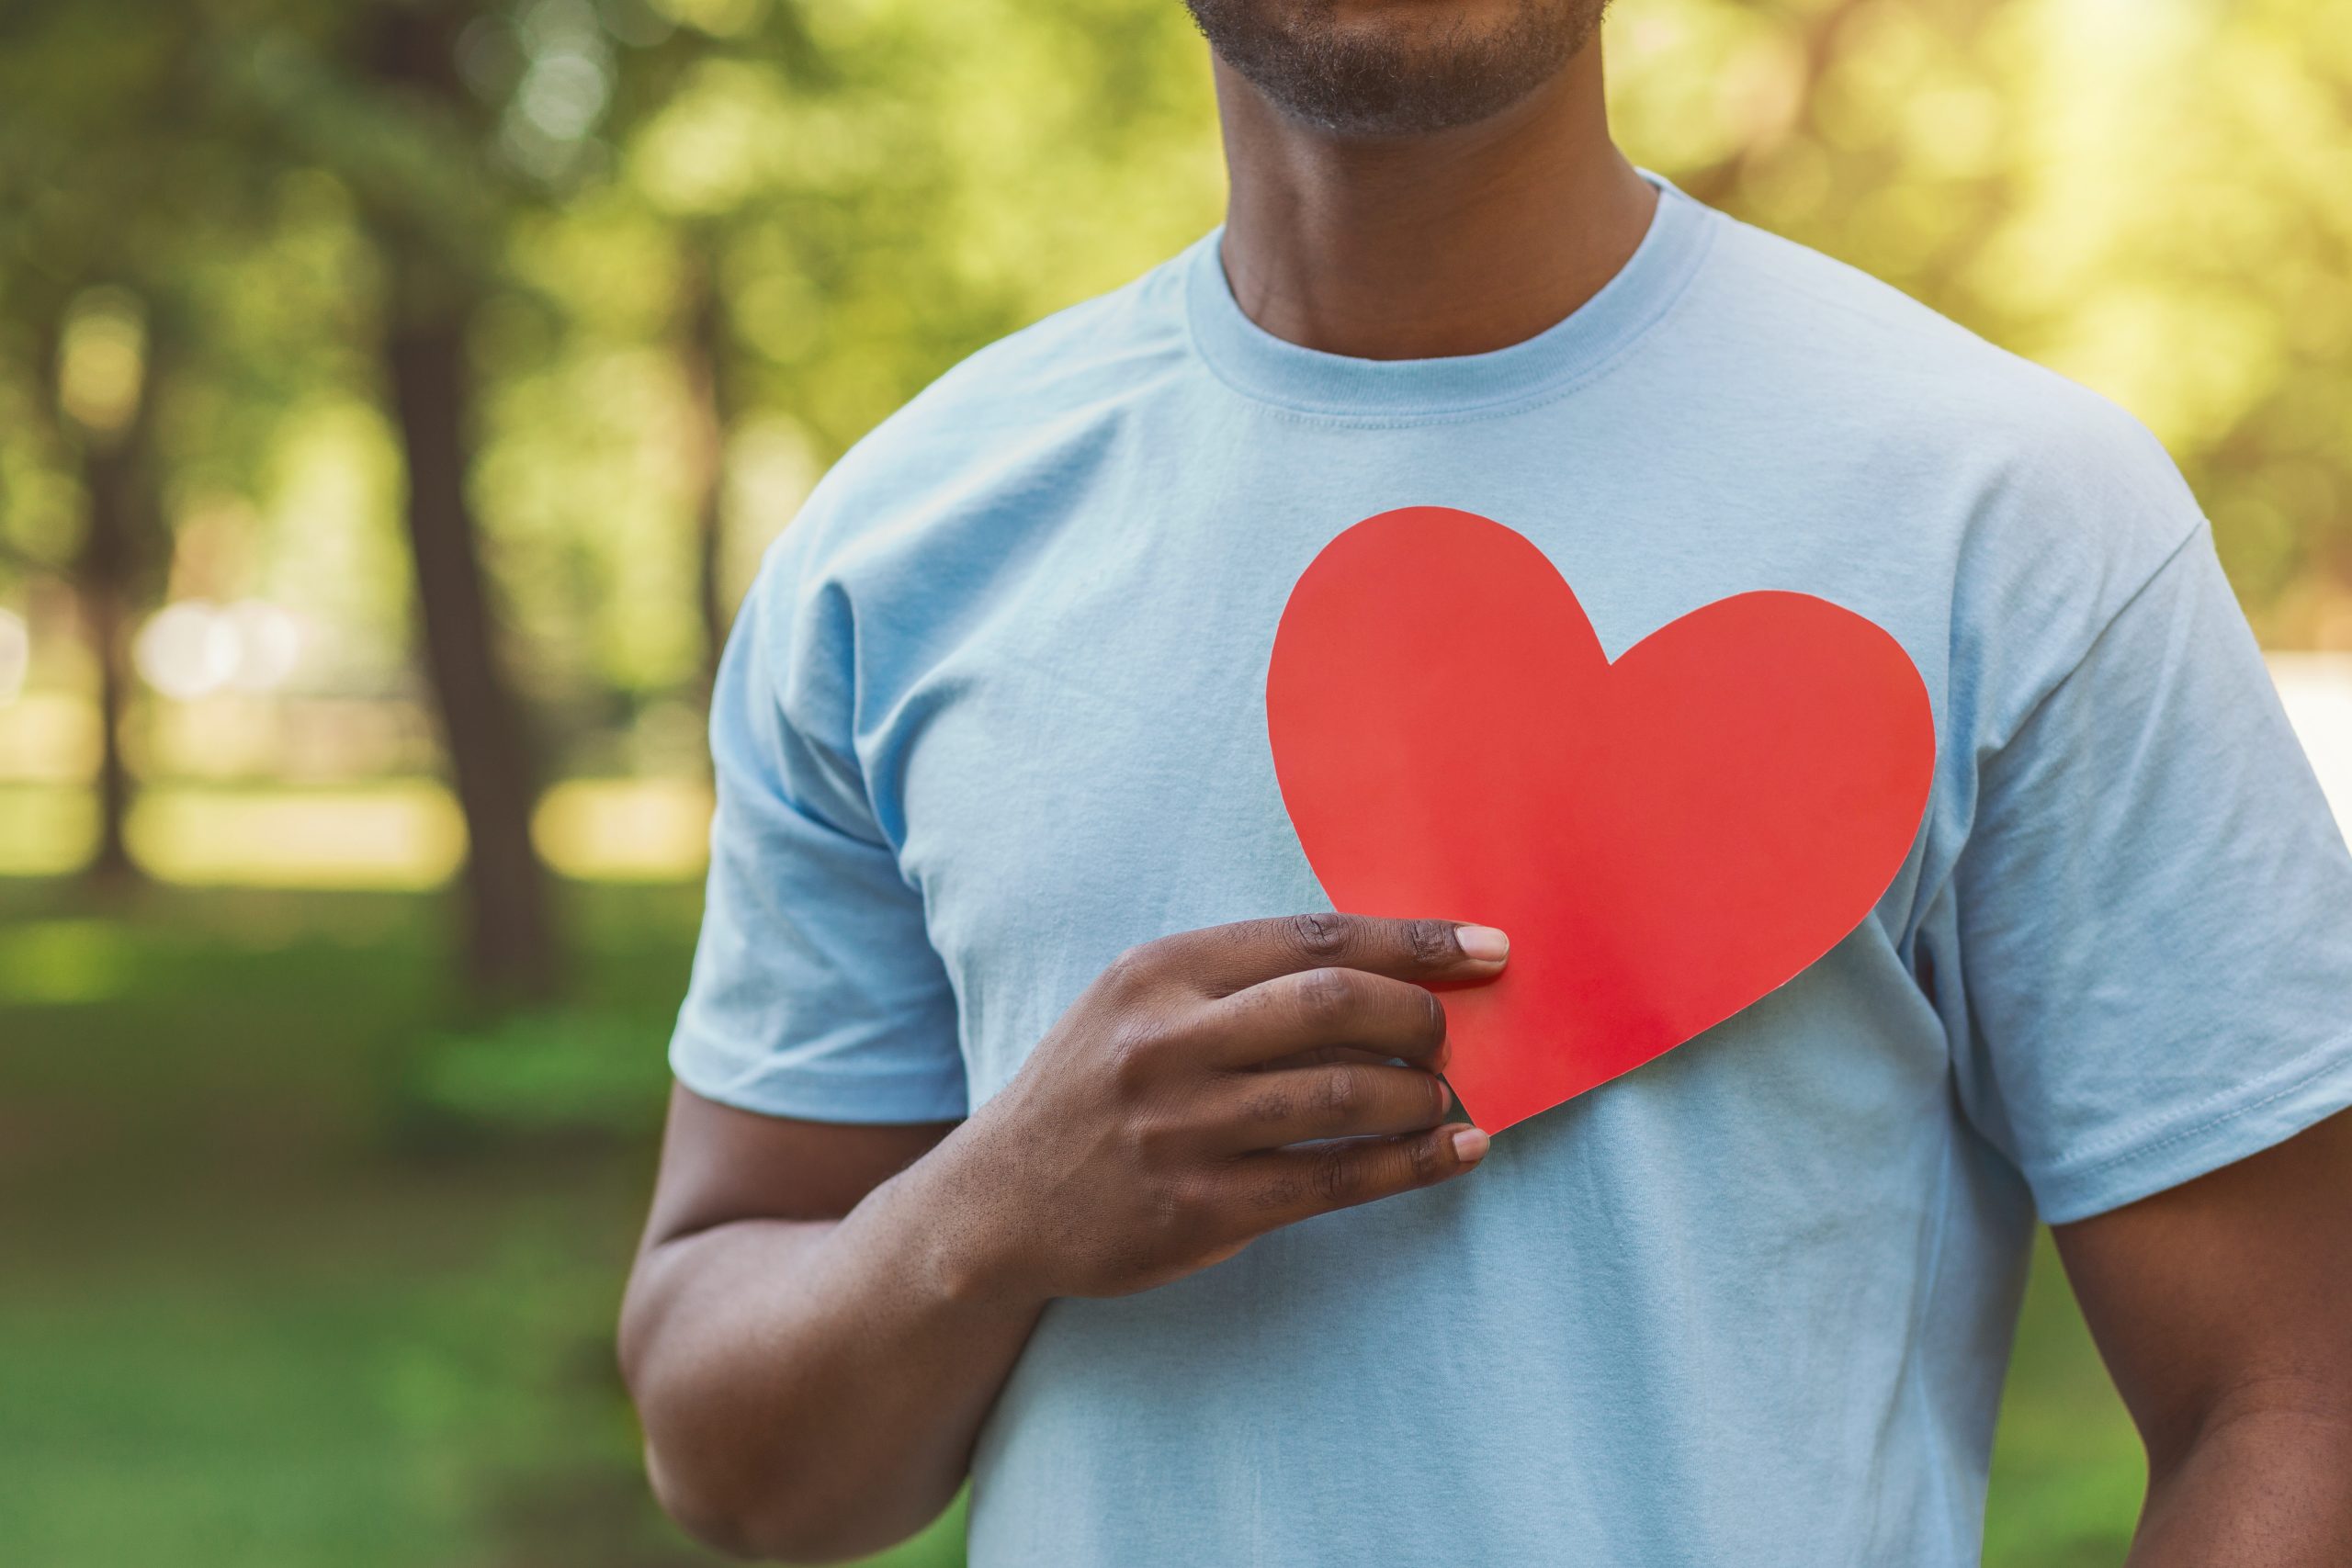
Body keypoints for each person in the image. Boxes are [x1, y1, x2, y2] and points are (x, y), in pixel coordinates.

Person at [618, 3, 2352, 1562]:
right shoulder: (900, 550)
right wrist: (987, 1216)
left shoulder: (2018, 519)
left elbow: (2294, 1406)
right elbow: (741, 1472)